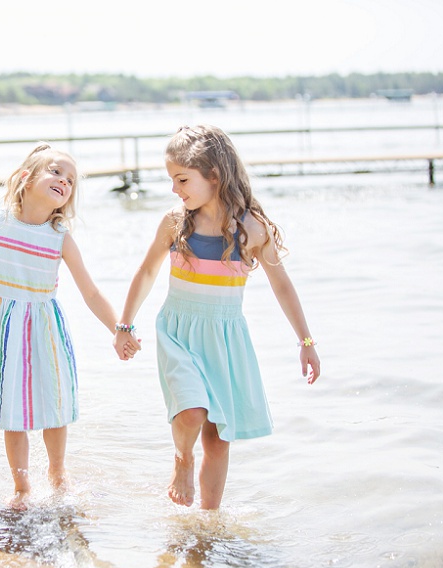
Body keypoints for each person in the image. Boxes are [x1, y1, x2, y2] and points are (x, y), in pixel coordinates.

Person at [0, 143, 139, 509]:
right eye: (55, 172)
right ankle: (21, 486)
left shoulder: (60, 238)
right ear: (26, 177)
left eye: (70, 180)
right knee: (12, 410)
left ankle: (58, 472)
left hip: (43, 329)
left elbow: (92, 292)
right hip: (1, 331)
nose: (63, 181)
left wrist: (120, 327)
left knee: (53, 402)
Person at [113, 125, 320, 510]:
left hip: (225, 340)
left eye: (182, 179)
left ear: (214, 175)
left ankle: (209, 523)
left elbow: (282, 285)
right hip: (178, 333)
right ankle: (182, 459)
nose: (175, 189)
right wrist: (124, 325)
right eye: (172, 180)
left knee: (218, 437)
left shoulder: (251, 229)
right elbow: (145, 273)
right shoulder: (176, 223)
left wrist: (306, 343)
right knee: (191, 413)